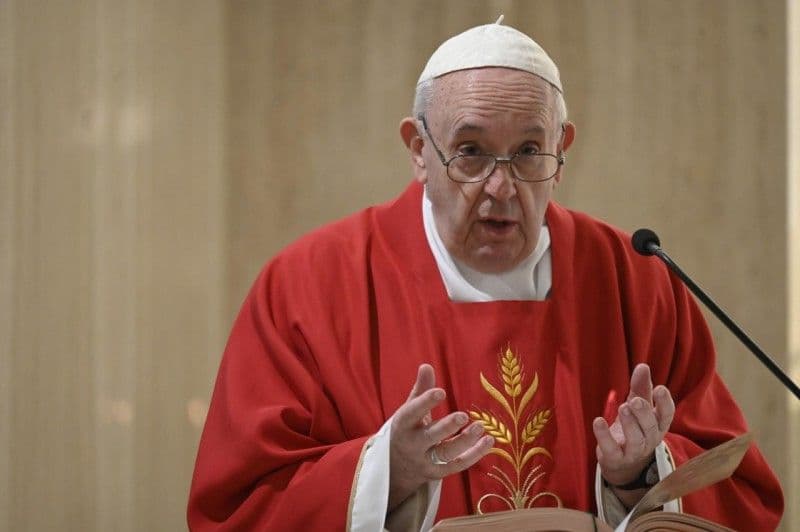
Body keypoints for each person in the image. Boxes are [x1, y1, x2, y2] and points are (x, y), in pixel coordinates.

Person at [187, 18, 783, 531]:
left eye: (528, 151)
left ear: (562, 149)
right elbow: (239, 504)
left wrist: (638, 476)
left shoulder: (638, 281)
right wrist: (383, 471)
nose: (502, 187)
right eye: (470, 151)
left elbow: (740, 487)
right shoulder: (308, 287)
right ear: (419, 149)